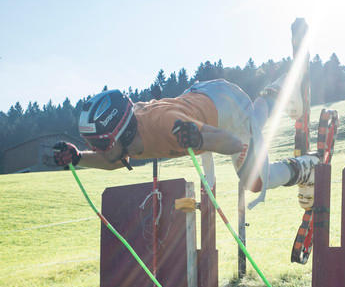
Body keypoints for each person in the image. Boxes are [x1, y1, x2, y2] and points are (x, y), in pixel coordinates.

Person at [52, 71, 320, 210]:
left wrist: (201, 138)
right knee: (252, 122)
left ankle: (307, 168)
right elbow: (113, 162)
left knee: (255, 179)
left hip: (225, 107)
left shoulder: (168, 126)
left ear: (119, 135)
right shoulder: (129, 136)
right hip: (204, 97)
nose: (95, 150)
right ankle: (277, 91)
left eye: (98, 144)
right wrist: (78, 158)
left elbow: (232, 144)